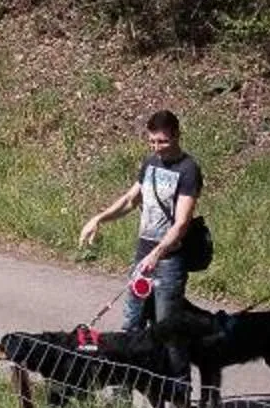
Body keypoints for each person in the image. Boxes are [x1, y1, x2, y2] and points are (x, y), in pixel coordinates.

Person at [79, 110, 203, 337]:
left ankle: (173, 373)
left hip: (169, 262)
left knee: (166, 332)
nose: (157, 147)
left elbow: (182, 222)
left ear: (176, 135)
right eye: (152, 141)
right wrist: (99, 219)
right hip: (142, 257)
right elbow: (130, 200)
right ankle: (133, 373)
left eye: (163, 141)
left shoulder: (188, 169)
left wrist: (156, 255)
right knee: (131, 325)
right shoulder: (150, 163)